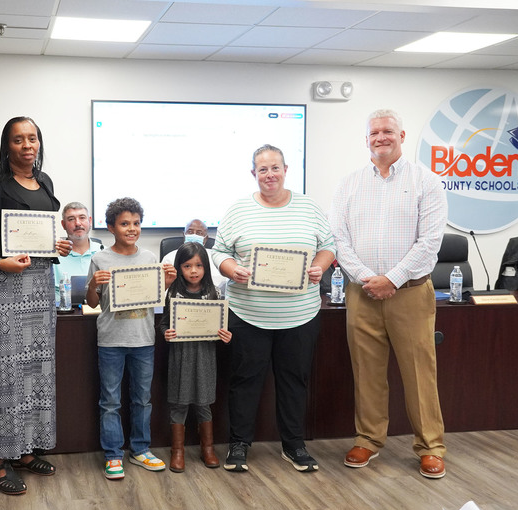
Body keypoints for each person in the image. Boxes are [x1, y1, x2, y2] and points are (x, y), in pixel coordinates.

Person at [329, 109, 448, 479]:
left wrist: (392, 279)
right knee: (367, 371)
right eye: (374, 132)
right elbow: (340, 241)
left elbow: (430, 243)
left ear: (402, 136)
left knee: (419, 372)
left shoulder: (426, 182)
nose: (381, 137)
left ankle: (430, 446)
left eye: (388, 131)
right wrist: (368, 278)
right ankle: (368, 439)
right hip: (361, 293)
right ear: (366, 140)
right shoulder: (348, 184)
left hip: (410, 292)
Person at [0, 116, 72, 495]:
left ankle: (24, 450)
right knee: (3, 370)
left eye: (33, 138)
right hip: (2, 283)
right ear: (7, 145)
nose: (27, 145)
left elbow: (44, 232)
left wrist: (59, 245)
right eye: (18, 139)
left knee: (35, 369)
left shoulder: (46, 183)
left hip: (40, 284)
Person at [211, 144, 335, 474]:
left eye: (275, 168)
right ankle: (238, 445)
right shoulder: (238, 210)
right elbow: (219, 251)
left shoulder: (309, 208)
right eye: (262, 169)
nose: (270, 174)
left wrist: (320, 268)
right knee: (244, 381)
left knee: (294, 381)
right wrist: (230, 269)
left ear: (285, 169)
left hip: (300, 315)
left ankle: (294, 445)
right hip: (248, 313)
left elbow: (328, 246)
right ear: (254, 174)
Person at [85, 197, 177, 480]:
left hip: (143, 339)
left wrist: (169, 282)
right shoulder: (100, 258)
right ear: (111, 227)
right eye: (125, 224)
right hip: (111, 340)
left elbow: (154, 298)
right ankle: (113, 455)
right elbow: (92, 302)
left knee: (142, 399)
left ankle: (140, 450)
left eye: (136, 223)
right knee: (110, 401)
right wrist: (93, 284)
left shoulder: (150, 258)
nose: (132, 228)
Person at [159, 241, 232, 473]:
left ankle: (207, 448)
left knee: (203, 403)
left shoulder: (214, 292)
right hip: (180, 356)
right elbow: (162, 323)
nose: (193, 271)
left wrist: (225, 335)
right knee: (179, 404)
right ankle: (177, 451)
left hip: (205, 357)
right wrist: (166, 333)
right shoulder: (173, 292)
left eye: (199, 266)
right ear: (179, 267)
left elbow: (221, 326)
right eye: (187, 265)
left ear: (206, 268)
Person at [161, 219, 227, 296]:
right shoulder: (169, 258)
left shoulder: (216, 257)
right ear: (184, 235)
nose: (194, 235)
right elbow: (162, 291)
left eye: (199, 233)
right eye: (190, 232)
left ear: (205, 238)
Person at [52, 201, 102, 302]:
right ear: (63, 224)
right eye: (71, 219)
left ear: (90, 220)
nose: (78, 223)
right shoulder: (53, 256)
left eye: (82, 218)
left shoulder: (104, 252)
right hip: (65, 315)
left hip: (98, 314)